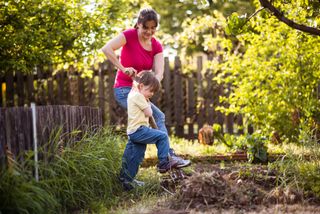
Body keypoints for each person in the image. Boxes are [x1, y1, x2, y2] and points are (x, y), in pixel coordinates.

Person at [101, 7, 190, 168]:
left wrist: (151, 84)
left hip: (140, 93)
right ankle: (167, 157)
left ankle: (127, 177)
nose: (149, 31)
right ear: (138, 25)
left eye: (153, 28)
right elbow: (106, 49)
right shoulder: (129, 35)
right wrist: (123, 68)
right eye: (146, 27)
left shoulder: (156, 45)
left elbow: (159, 73)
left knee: (138, 133)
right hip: (124, 90)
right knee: (157, 118)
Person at [119, 71, 179, 190]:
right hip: (139, 130)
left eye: (153, 92)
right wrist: (147, 102)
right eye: (150, 90)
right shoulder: (139, 96)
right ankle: (163, 162)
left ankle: (126, 180)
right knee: (162, 136)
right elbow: (149, 113)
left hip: (133, 131)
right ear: (141, 86)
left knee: (135, 157)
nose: (151, 94)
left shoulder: (132, 95)